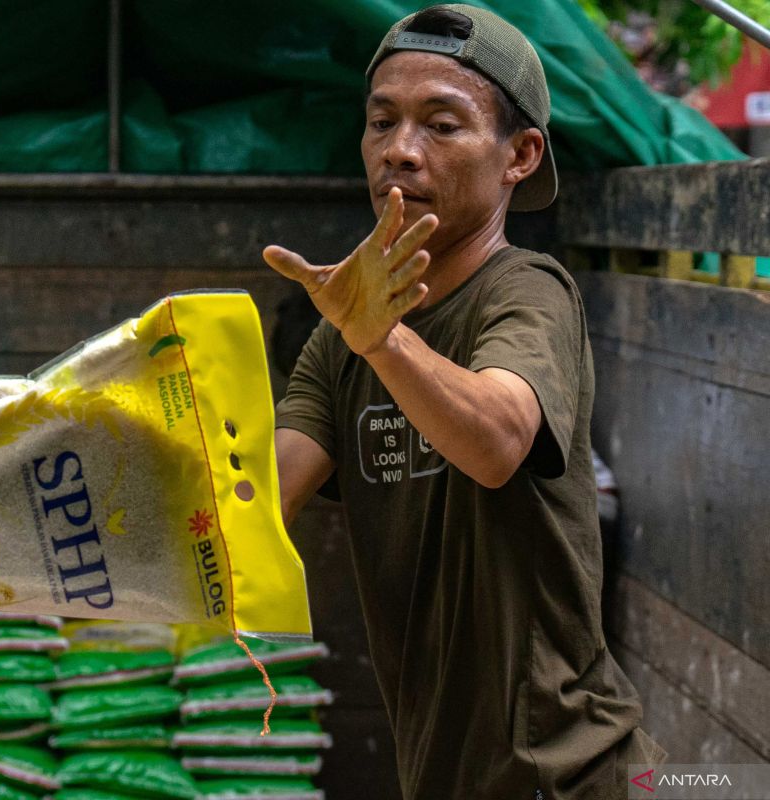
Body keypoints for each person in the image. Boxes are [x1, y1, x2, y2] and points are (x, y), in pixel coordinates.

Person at [264, 5, 666, 799]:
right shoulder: (340, 336)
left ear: (519, 155)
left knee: (717, 785)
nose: (400, 151)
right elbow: (260, 497)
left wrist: (383, 340)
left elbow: (496, 441)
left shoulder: (526, 292)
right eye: (382, 122)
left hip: (573, 775)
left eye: (441, 125)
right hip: (446, 775)